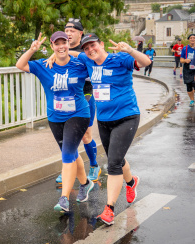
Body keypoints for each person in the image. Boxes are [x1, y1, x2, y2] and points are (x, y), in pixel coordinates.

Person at [48, 33, 151, 225]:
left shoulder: (119, 58)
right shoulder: (87, 59)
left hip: (126, 116)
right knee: (117, 158)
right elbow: (72, 53)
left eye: (93, 45)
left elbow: (145, 61)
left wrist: (129, 49)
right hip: (104, 120)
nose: (90, 50)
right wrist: (57, 54)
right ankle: (131, 182)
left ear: (101, 44)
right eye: (86, 48)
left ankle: (109, 209)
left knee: (113, 163)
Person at [16, 31, 94, 212]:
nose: (61, 46)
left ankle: (64, 199)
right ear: (51, 46)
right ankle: (85, 183)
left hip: (79, 114)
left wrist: (71, 52)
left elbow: (93, 59)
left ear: (68, 44)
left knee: (67, 155)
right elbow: (20, 64)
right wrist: (32, 50)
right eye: (57, 44)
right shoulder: (44, 66)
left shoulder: (79, 63)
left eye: (64, 42)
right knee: (72, 154)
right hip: (55, 117)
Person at [52, 19, 101, 185]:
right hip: (64, 99)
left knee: (86, 134)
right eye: (66, 29)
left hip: (85, 94)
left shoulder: (87, 48)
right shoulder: (59, 48)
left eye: (72, 30)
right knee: (65, 137)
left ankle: (94, 165)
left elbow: (97, 63)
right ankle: (67, 169)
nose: (68, 33)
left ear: (81, 33)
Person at [180, 34, 195, 107]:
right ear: (189, 40)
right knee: (189, 86)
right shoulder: (185, 49)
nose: (192, 39)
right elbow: (181, 60)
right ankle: (192, 100)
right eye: (191, 38)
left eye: (194, 38)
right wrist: (185, 60)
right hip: (187, 69)